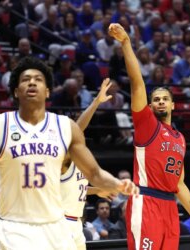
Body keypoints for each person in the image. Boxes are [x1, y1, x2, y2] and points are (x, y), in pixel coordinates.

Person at [0, 56, 139, 249]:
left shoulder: (66, 127)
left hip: (58, 226)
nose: (32, 82)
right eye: (25, 79)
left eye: (38, 79)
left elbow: (94, 173)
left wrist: (117, 183)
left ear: (48, 91)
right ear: (15, 91)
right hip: (16, 226)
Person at [108, 23, 190, 250]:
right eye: (156, 99)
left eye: (165, 98)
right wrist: (126, 43)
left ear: (173, 105)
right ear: (150, 105)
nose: (160, 102)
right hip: (146, 202)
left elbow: (180, 185)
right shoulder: (147, 124)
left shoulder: (180, 138)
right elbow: (137, 84)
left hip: (169, 207)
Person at [61, 78, 118, 250]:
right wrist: (96, 102)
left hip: (76, 222)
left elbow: (72, 189)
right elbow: (77, 129)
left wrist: (97, 191)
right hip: (61, 223)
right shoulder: (64, 158)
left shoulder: (81, 160)